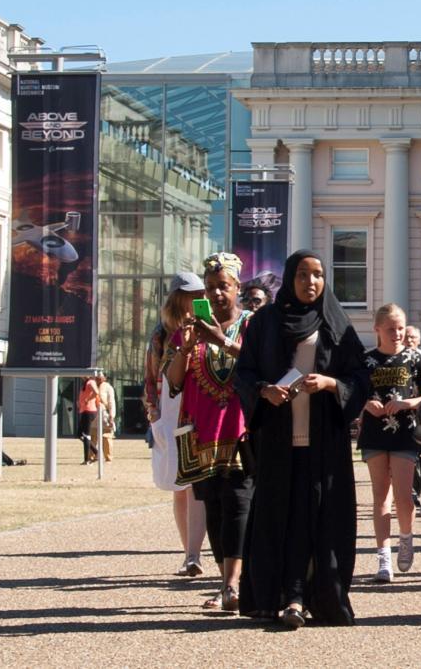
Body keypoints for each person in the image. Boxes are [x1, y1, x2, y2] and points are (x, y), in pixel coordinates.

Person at [234, 250, 369, 628]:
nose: (311, 282)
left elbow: (361, 377)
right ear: (290, 278)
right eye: (303, 275)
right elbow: (242, 373)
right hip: (279, 441)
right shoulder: (265, 322)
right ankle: (287, 598)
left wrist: (330, 384)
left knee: (321, 521)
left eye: (318, 275)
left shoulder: (336, 324)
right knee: (283, 520)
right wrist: (264, 391)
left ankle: (318, 598)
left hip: (324, 443)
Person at [169, 251, 255, 612]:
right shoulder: (189, 329)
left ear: (238, 288)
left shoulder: (252, 324)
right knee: (214, 508)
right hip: (201, 431)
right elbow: (174, 381)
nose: (217, 294)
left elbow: (259, 365)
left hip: (240, 431)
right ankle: (225, 583)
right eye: (210, 288)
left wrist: (221, 340)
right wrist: (186, 348)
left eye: (224, 287)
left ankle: (234, 585)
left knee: (238, 503)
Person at [359, 303, 421, 582]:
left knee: (403, 496)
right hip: (375, 433)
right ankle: (383, 558)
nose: (397, 333)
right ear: (377, 330)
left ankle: (406, 538)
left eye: (400, 328)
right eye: (391, 329)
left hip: (405, 433)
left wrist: (408, 402)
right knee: (380, 496)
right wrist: (367, 403)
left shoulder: (414, 358)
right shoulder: (366, 360)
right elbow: (354, 393)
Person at [145, 271, 209, 577]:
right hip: (170, 408)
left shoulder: (207, 325)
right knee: (179, 485)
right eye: (190, 294)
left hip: (200, 403)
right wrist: (152, 412)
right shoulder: (161, 332)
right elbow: (151, 372)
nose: (196, 299)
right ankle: (189, 553)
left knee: (198, 482)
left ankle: (196, 551)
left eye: (199, 294)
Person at [93, 370, 117, 463]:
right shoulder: (92, 385)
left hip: (104, 415)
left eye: (100, 376)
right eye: (97, 377)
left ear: (104, 378)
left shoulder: (108, 388)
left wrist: (112, 415)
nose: (98, 378)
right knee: (93, 436)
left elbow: (111, 402)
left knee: (106, 437)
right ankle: (93, 456)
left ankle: (108, 457)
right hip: (93, 415)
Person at [77, 374, 99, 463]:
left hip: (89, 411)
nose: (81, 375)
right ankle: (96, 452)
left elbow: (96, 392)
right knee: (79, 434)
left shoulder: (91, 382)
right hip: (84, 411)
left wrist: (87, 400)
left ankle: (87, 459)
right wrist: (80, 403)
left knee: (86, 435)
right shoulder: (85, 383)